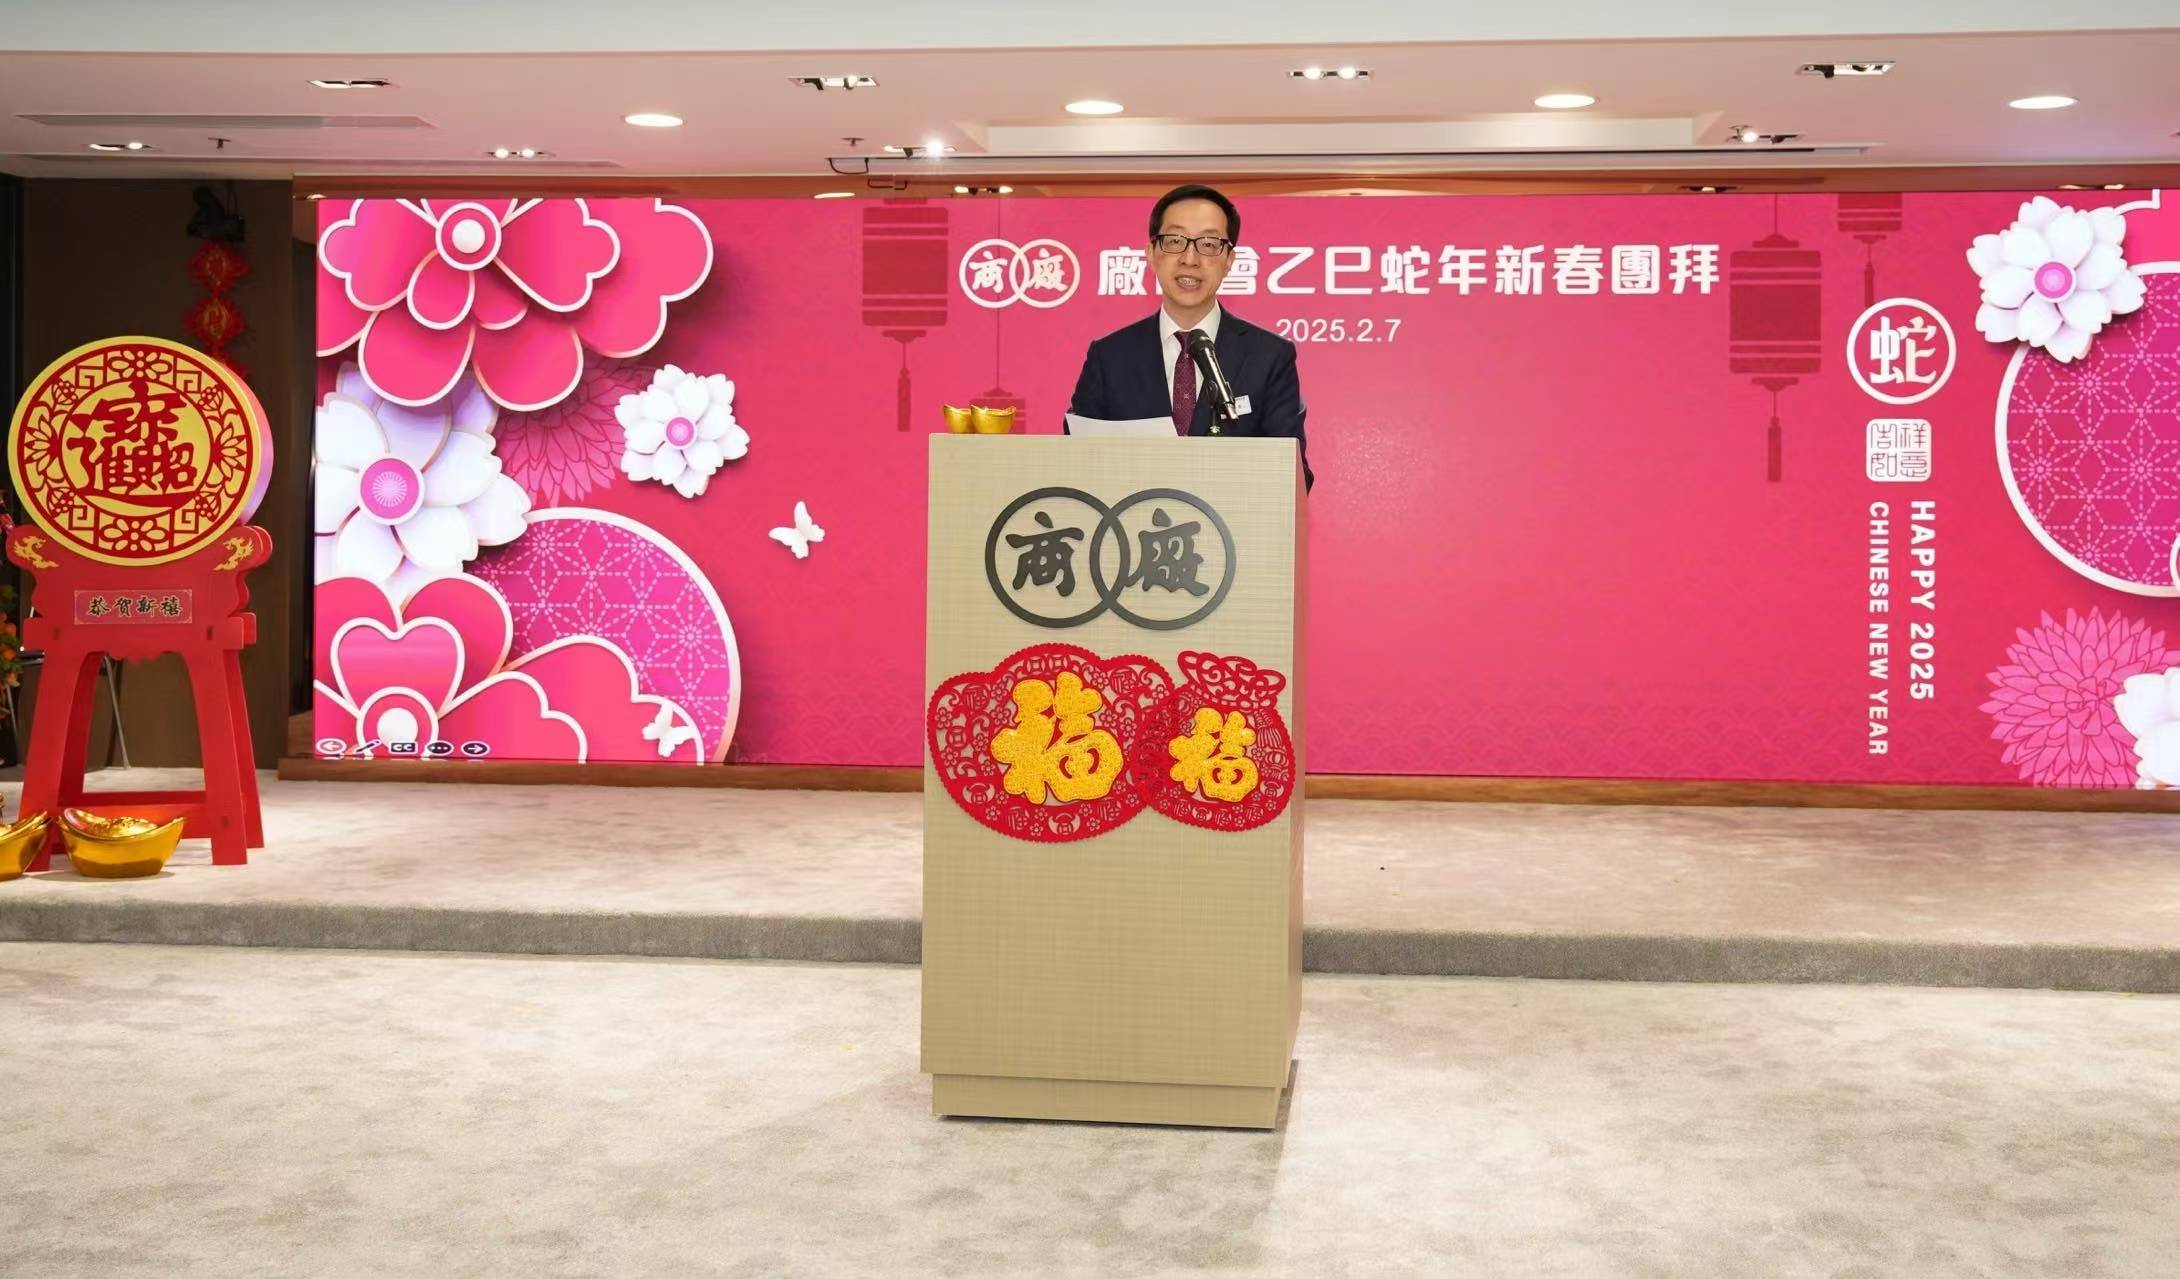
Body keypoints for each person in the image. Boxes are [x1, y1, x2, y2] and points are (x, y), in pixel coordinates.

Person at [1066, 184, 1314, 490]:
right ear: (1151, 253)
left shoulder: (1269, 356)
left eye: (1209, 244)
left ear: (1229, 260)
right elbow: (1074, 461)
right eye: (1174, 241)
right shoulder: (1110, 356)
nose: (1190, 258)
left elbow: (1293, 476)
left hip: (1231, 519)